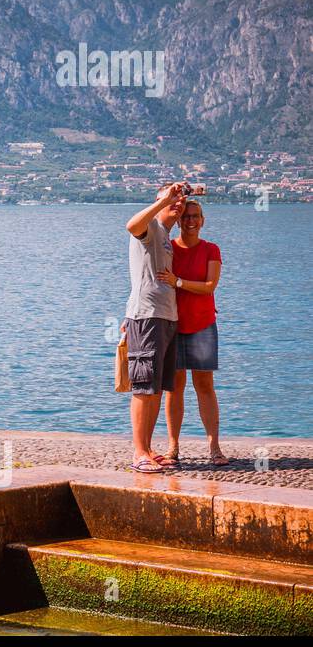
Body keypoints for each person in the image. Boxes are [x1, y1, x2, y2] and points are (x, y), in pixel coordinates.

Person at [123, 182, 189, 473]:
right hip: (147, 316)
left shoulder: (166, 237)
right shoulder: (150, 228)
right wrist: (164, 202)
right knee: (143, 387)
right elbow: (130, 225)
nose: (178, 202)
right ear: (158, 199)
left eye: (182, 200)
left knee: (157, 387)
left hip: (166, 317)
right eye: (172, 197)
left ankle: (148, 448)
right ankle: (138, 453)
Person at [158, 200, 225, 465]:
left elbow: (210, 286)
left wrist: (179, 282)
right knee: (174, 388)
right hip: (173, 325)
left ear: (203, 220)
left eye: (196, 216)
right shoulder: (168, 249)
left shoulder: (211, 249)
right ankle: (173, 447)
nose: (191, 221)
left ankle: (214, 448)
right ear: (178, 220)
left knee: (204, 386)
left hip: (202, 325)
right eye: (186, 216)